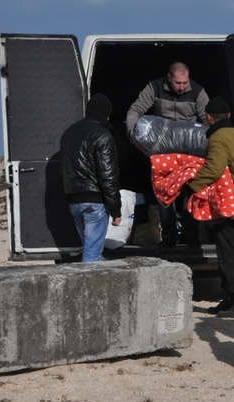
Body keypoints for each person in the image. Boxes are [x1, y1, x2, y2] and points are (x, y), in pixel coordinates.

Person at [126, 62, 209, 249]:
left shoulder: (198, 91)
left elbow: (207, 119)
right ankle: (169, 236)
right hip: (163, 152)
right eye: (178, 83)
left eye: (185, 83)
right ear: (169, 78)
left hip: (189, 152)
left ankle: (192, 235)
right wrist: (132, 134)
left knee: (191, 192)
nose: (182, 87)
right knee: (164, 193)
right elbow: (135, 110)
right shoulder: (154, 87)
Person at [187, 97, 234, 318]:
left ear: (209, 117)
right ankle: (229, 300)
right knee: (230, 251)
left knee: (228, 255)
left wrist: (192, 185)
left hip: (226, 206)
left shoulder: (218, 138)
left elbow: (214, 168)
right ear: (229, 116)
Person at [60, 93, 122, 262]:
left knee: (90, 249)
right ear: (106, 114)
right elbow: (108, 176)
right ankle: (88, 280)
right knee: (92, 255)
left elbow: (64, 169)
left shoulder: (68, 133)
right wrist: (116, 209)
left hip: (74, 201)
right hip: (94, 202)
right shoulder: (103, 136)